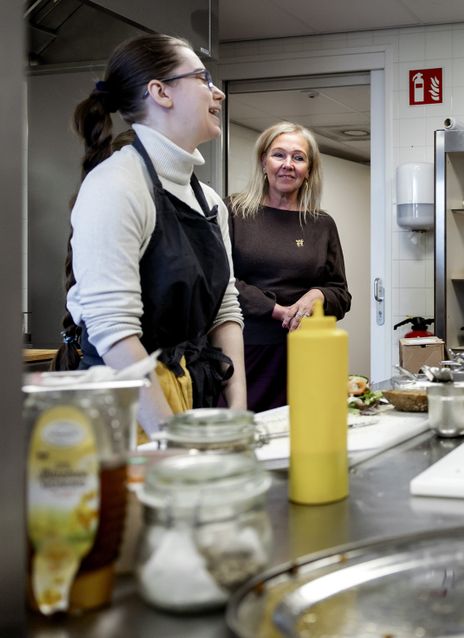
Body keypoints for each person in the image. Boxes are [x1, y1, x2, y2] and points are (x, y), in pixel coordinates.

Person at [66, 33, 246, 437]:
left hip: (191, 396)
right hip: (127, 411)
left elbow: (225, 309)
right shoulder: (116, 186)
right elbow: (115, 332)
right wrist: (172, 439)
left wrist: (238, 409)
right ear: (161, 92)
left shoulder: (210, 201)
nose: (217, 93)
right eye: (203, 78)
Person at [228, 122, 352, 412]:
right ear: (264, 162)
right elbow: (221, 281)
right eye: (279, 155)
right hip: (248, 351)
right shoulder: (233, 212)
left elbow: (341, 294)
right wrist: (276, 310)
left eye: (298, 157)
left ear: (309, 170)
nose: (288, 165)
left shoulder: (321, 224)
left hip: (309, 351)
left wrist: (318, 295)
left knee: (307, 428)